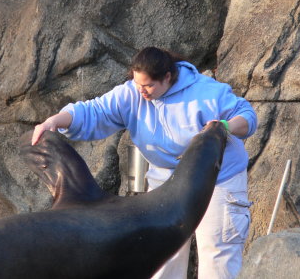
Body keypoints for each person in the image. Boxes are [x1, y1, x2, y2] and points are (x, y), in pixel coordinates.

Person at [31, 46, 257, 279]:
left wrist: (223, 126)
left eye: (148, 85)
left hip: (216, 179)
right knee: (161, 260)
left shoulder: (207, 92)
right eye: (138, 84)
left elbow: (247, 115)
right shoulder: (131, 94)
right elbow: (93, 112)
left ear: (167, 77)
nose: (142, 92)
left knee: (217, 259)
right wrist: (55, 121)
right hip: (166, 182)